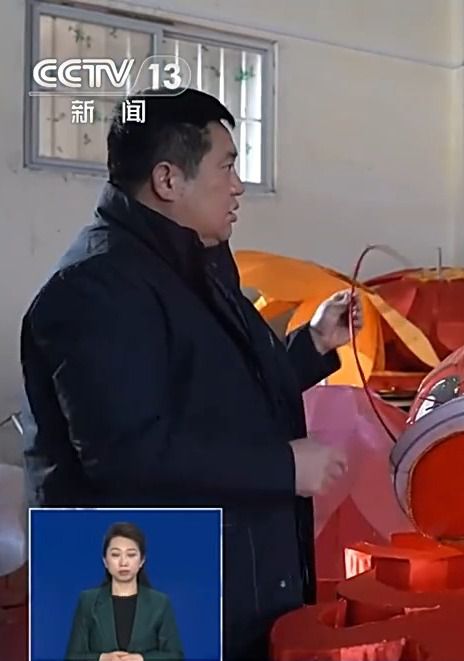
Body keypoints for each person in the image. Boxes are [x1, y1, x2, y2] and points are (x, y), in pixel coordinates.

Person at [20, 88, 359, 659]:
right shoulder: (95, 287)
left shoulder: (191, 264)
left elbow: (217, 384)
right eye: (226, 167)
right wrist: (284, 466)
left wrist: (314, 343)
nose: (238, 186)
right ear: (168, 180)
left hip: (221, 572)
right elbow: (126, 455)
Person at [67, 522, 182, 660]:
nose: (123, 562)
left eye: (131, 555)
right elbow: (72, 657)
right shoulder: (88, 601)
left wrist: (141, 659)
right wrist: (102, 658)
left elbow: (175, 656)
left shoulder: (160, 603)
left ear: (142, 560)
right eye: (116, 555)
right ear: (105, 561)